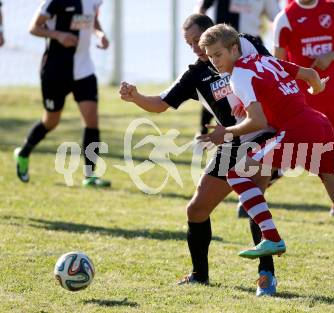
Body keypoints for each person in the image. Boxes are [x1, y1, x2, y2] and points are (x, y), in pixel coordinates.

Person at [198, 24, 334, 289]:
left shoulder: (240, 75)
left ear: (235, 49)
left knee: (236, 172)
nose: (214, 61)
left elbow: (258, 121)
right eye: (210, 56)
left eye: (218, 54)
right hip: (320, 125)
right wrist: (315, 90)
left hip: (297, 130)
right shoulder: (265, 60)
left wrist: (227, 132)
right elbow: (311, 75)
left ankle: (272, 237)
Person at [119, 14, 279, 296]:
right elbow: (160, 103)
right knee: (196, 210)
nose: (195, 47)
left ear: (213, 35)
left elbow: (275, 72)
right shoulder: (196, 74)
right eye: (189, 43)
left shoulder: (246, 45)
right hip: (230, 141)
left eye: (197, 41)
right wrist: (136, 96)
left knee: (253, 203)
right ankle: (199, 275)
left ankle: (266, 276)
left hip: (263, 134)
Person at [273, 0, 334, 216]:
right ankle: (253, 193)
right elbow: (277, 65)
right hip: (301, 96)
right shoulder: (285, 18)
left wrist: (331, 55)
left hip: (333, 89)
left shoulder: (333, 9)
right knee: (294, 151)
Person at [14, 0, 111, 187]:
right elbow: (34, 27)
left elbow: (90, 19)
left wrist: (100, 34)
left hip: (84, 69)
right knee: (51, 121)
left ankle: (90, 176)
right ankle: (23, 152)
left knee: (92, 120)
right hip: (55, 71)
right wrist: (58, 35)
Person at [196, 0, 281, 155]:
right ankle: (204, 132)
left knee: (256, 91)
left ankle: (267, 135)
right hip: (220, 49)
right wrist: (205, 36)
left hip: (250, 45)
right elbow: (201, 9)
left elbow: (277, 18)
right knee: (217, 89)